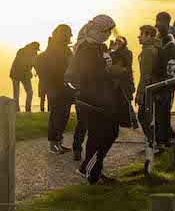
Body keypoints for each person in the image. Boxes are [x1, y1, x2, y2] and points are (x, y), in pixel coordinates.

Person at [73, 15, 124, 184]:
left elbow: (102, 66)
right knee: (102, 134)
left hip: (101, 97)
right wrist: (114, 72)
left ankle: (93, 170)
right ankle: (89, 169)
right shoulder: (86, 48)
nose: (109, 34)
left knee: (106, 133)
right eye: (107, 31)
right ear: (98, 30)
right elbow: (89, 74)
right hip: (91, 99)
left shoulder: (97, 47)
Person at [35, 26, 73, 154]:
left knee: (63, 115)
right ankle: (54, 143)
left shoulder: (64, 49)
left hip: (64, 87)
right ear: (63, 35)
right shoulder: (54, 50)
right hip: (56, 87)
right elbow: (50, 68)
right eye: (69, 34)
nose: (71, 36)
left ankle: (58, 141)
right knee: (57, 115)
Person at [155, 12, 175, 147]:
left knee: (163, 111)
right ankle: (161, 137)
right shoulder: (162, 39)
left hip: (166, 80)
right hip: (163, 80)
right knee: (161, 111)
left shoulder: (167, 40)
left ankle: (162, 138)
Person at [136, 25, 161, 147]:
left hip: (149, 88)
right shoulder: (155, 47)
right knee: (151, 117)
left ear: (149, 36)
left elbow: (145, 75)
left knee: (143, 117)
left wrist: (140, 93)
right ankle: (156, 141)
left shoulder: (148, 51)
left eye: (141, 34)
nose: (139, 36)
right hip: (155, 87)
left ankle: (153, 142)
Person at [10, 42, 40, 112]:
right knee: (17, 93)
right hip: (16, 74)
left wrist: (36, 70)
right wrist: (29, 72)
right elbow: (22, 64)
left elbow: (35, 63)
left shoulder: (34, 54)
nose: (36, 51)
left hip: (24, 75)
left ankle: (28, 108)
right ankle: (17, 109)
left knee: (29, 92)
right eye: (35, 49)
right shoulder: (21, 52)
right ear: (32, 48)